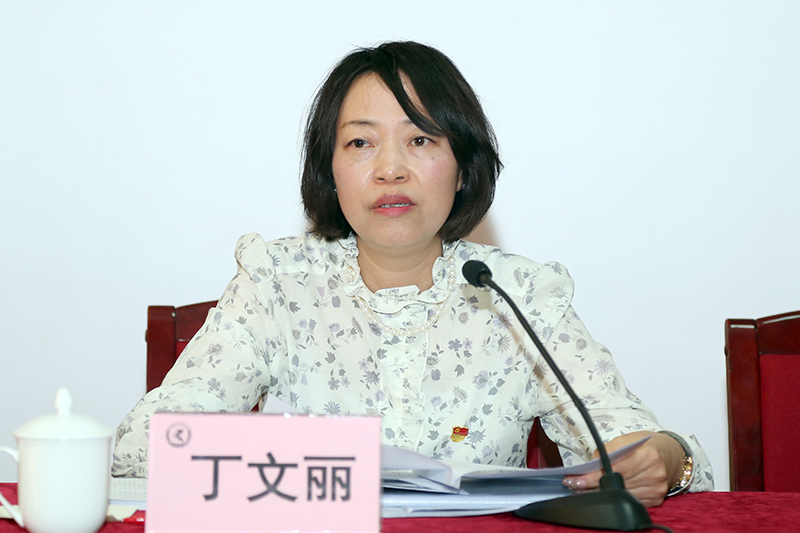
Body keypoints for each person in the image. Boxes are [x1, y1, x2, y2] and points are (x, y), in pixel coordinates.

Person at [112, 41, 713, 506]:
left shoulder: (520, 294)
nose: (391, 169)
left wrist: (664, 459)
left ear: (462, 166)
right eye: (360, 144)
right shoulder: (277, 282)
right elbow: (141, 450)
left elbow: (639, 446)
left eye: (421, 139)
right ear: (330, 171)